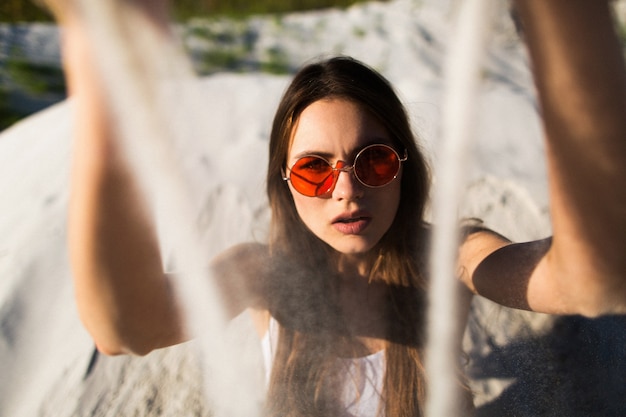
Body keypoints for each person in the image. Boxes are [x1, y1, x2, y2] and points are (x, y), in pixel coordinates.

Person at [44, 0, 626, 416]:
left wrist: (565, 16)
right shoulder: (266, 275)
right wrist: (110, 81)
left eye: (372, 162)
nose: (346, 191)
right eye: (314, 168)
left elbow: (590, 282)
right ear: (284, 183)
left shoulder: (447, 255)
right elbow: (124, 328)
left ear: (403, 165)